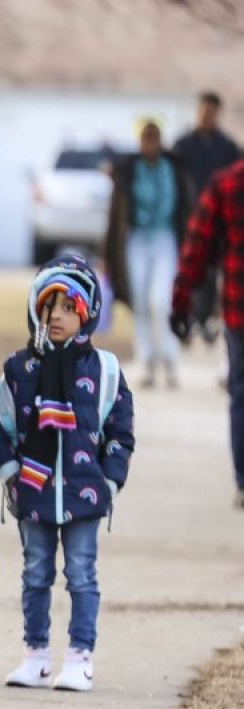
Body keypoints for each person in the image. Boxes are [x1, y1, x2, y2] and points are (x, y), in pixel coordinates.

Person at [0, 256, 135, 692]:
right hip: (35, 491)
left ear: (86, 314)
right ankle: (36, 655)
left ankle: (80, 656)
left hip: (85, 494)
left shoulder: (103, 370)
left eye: (68, 308)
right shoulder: (21, 369)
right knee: (35, 573)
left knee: (82, 573)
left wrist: (109, 479)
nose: (57, 317)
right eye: (49, 307)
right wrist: (11, 471)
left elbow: (120, 430)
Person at [171, 157, 244, 510]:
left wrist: (181, 301)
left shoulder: (228, 182)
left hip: (239, 306)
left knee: (241, 394)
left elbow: (196, 247)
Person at [105, 119, 193, 389]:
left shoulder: (172, 167)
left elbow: (185, 204)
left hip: (164, 237)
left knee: (161, 300)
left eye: (155, 136)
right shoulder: (129, 168)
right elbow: (116, 213)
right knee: (141, 301)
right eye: (146, 137)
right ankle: (147, 360)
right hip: (137, 239)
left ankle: (169, 357)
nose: (151, 142)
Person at [172, 91, 240, 344]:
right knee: (190, 267)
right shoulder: (182, 146)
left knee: (218, 275)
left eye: (212, 112)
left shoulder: (228, 148)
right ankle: (190, 316)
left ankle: (208, 320)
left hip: (222, 224)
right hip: (191, 218)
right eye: (203, 111)